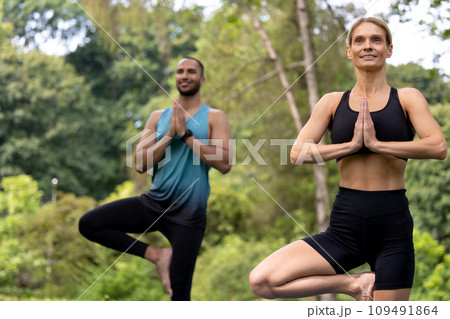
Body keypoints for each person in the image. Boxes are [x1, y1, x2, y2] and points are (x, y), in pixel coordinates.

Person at [248, 17, 447, 301]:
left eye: (376, 40)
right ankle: (352, 284)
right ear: (349, 51)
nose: (368, 46)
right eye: (360, 40)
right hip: (345, 226)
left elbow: (438, 147)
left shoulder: (407, 98)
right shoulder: (332, 102)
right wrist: (351, 146)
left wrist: (377, 144)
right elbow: (297, 153)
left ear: (389, 49)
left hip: (392, 228)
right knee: (263, 281)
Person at [79, 57, 232, 301]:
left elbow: (224, 163)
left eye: (191, 71)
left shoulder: (215, 116)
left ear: (201, 79)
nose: (184, 75)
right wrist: (170, 135)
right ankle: (157, 255)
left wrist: (187, 136)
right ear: (175, 78)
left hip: (189, 214)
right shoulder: (157, 117)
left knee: (180, 296)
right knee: (90, 223)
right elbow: (140, 163)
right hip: (154, 203)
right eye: (180, 71)